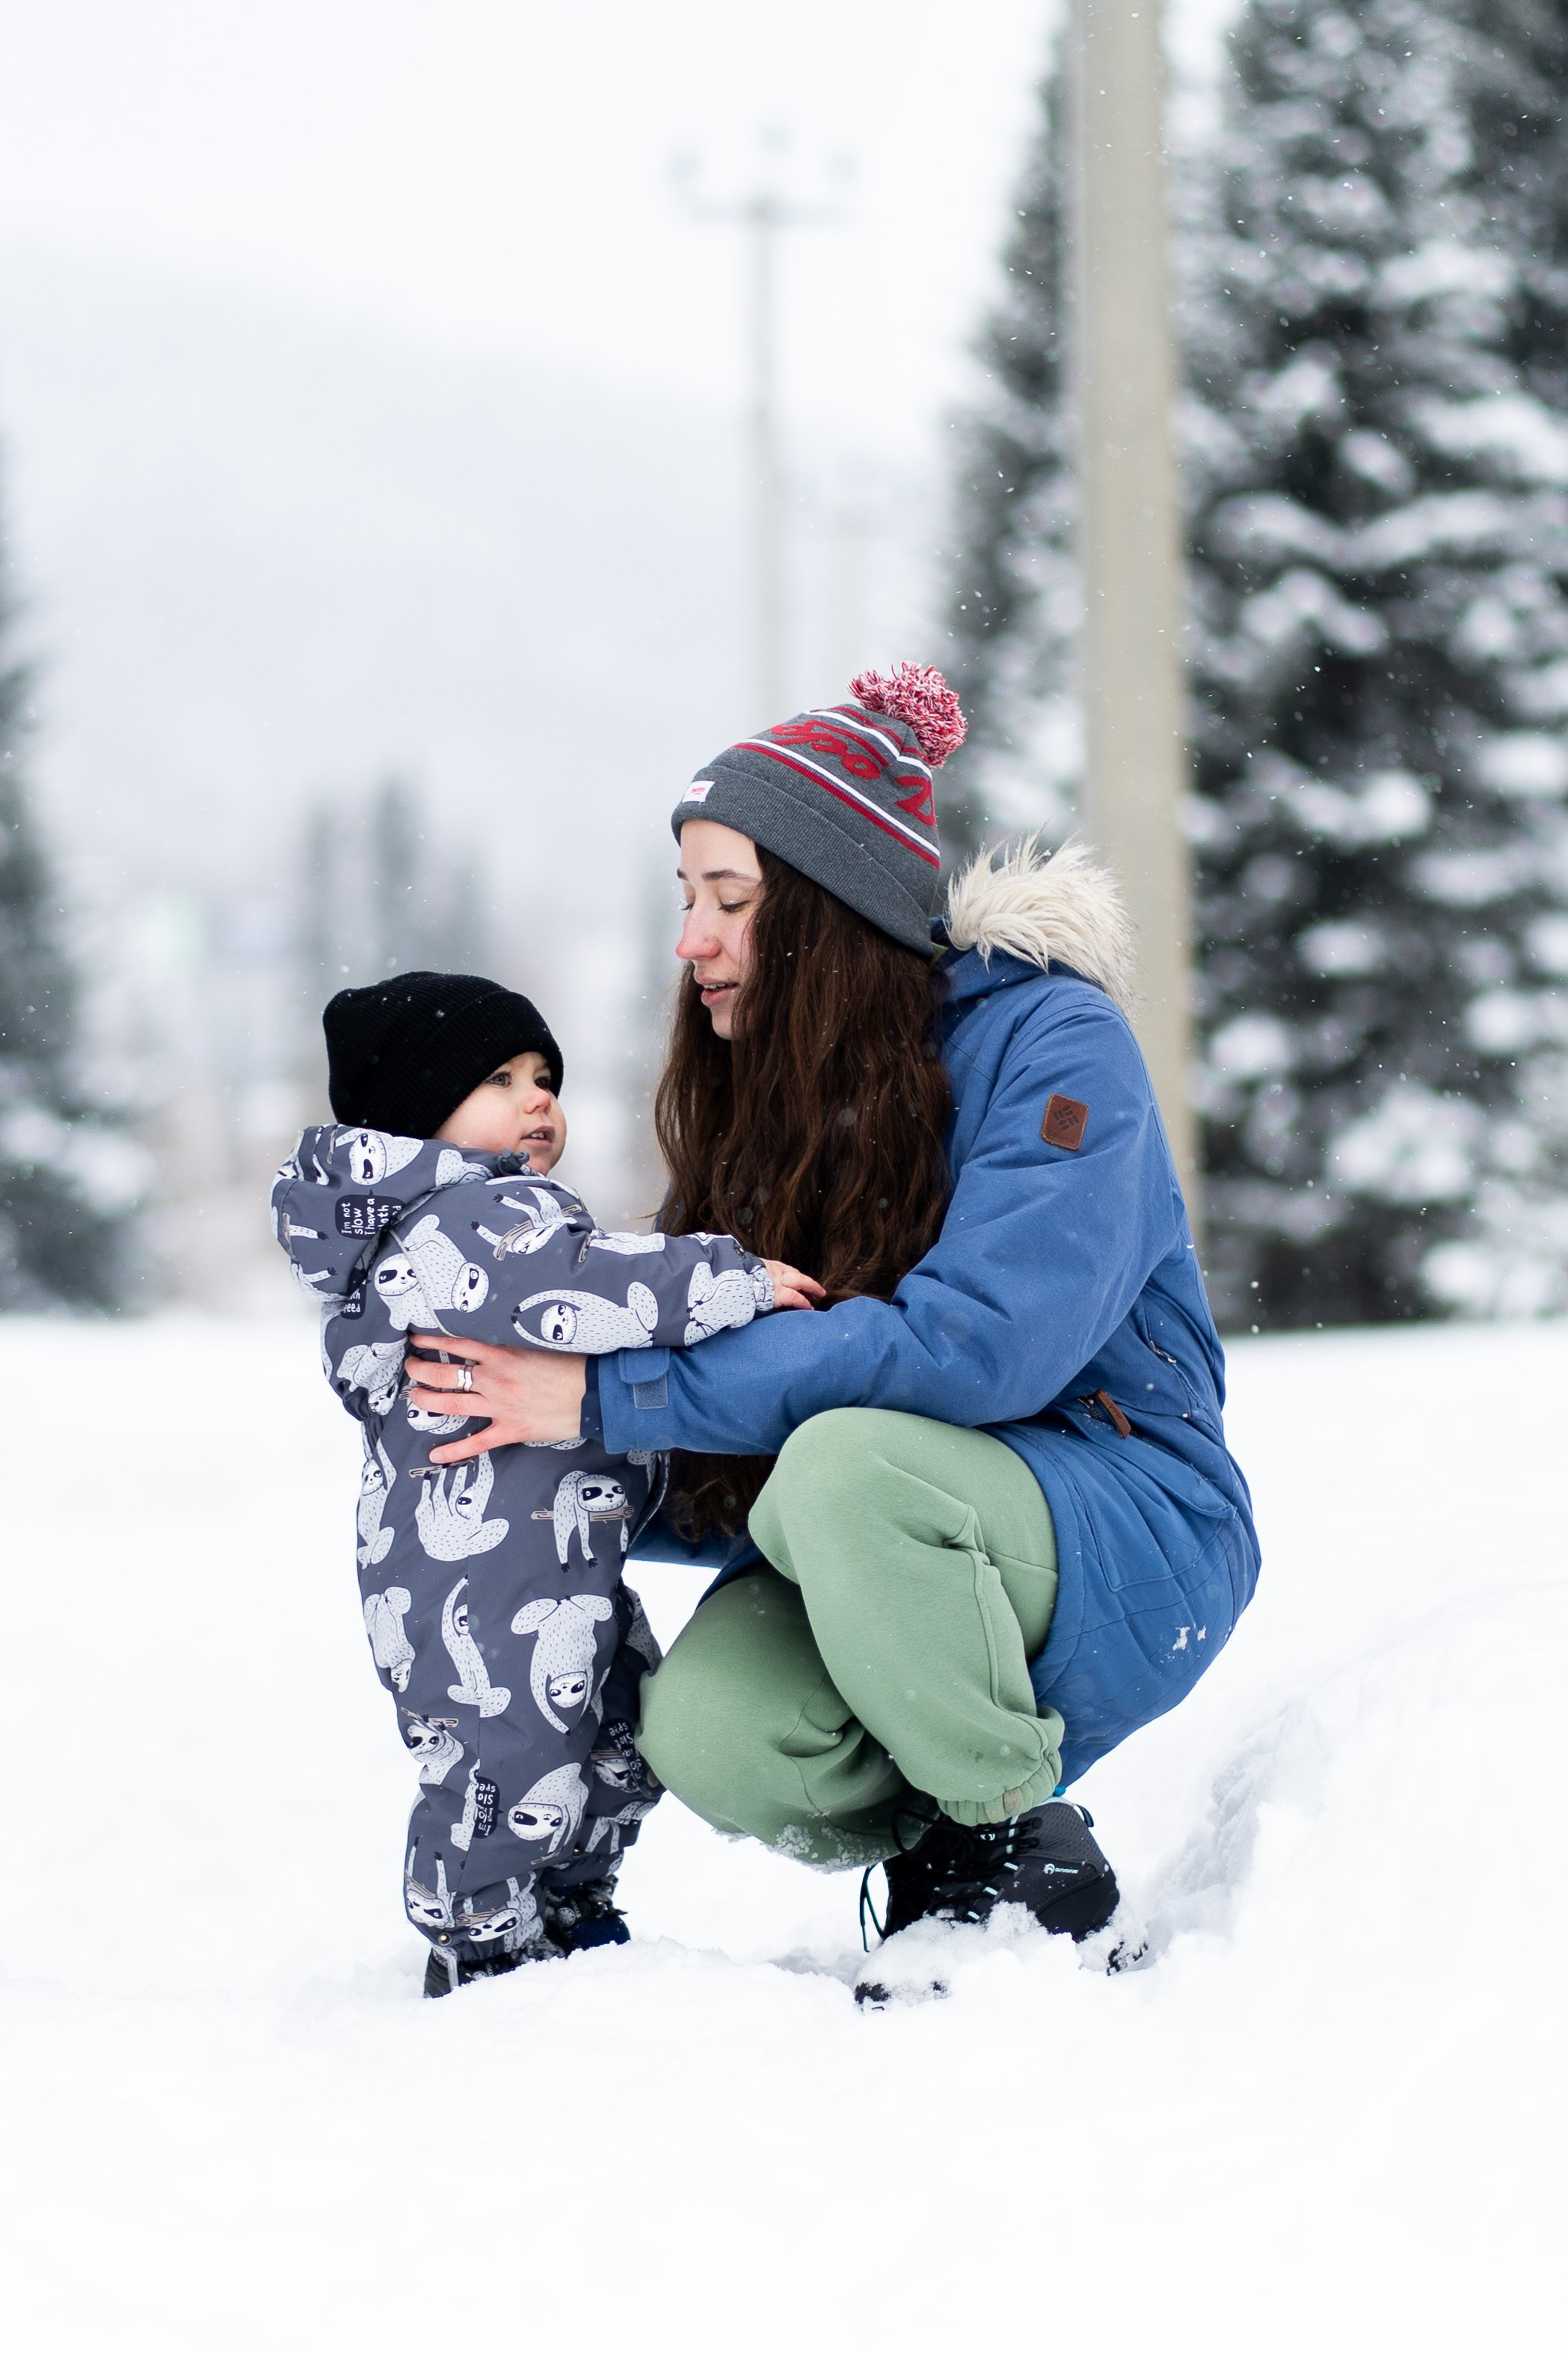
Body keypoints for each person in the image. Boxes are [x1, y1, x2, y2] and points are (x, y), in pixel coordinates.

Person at [405, 666, 1261, 2000]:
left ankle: (1014, 1850)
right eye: (684, 901)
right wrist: (526, 1454)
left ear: (829, 912)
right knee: (712, 1729)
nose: (691, 941)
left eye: (730, 902)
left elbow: (979, 1350)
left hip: (1125, 1523)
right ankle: (939, 1857)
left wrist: (611, 1397)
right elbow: (734, 1431)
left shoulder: (1054, 1046)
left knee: (850, 1466)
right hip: (881, 1544)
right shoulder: (776, 1111)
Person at [272, 969, 819, 1997]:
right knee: (503, 1753)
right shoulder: (465, 1221)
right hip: (468, 1583)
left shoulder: (492, 1211)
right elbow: (590, 1284)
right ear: (418, 1110)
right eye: (499, 1077)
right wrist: (729, 1278)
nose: (538, 1100)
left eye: (545, 1076)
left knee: (617, 1733)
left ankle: (568, 1899)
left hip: (555, 1568)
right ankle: (477, 1933)